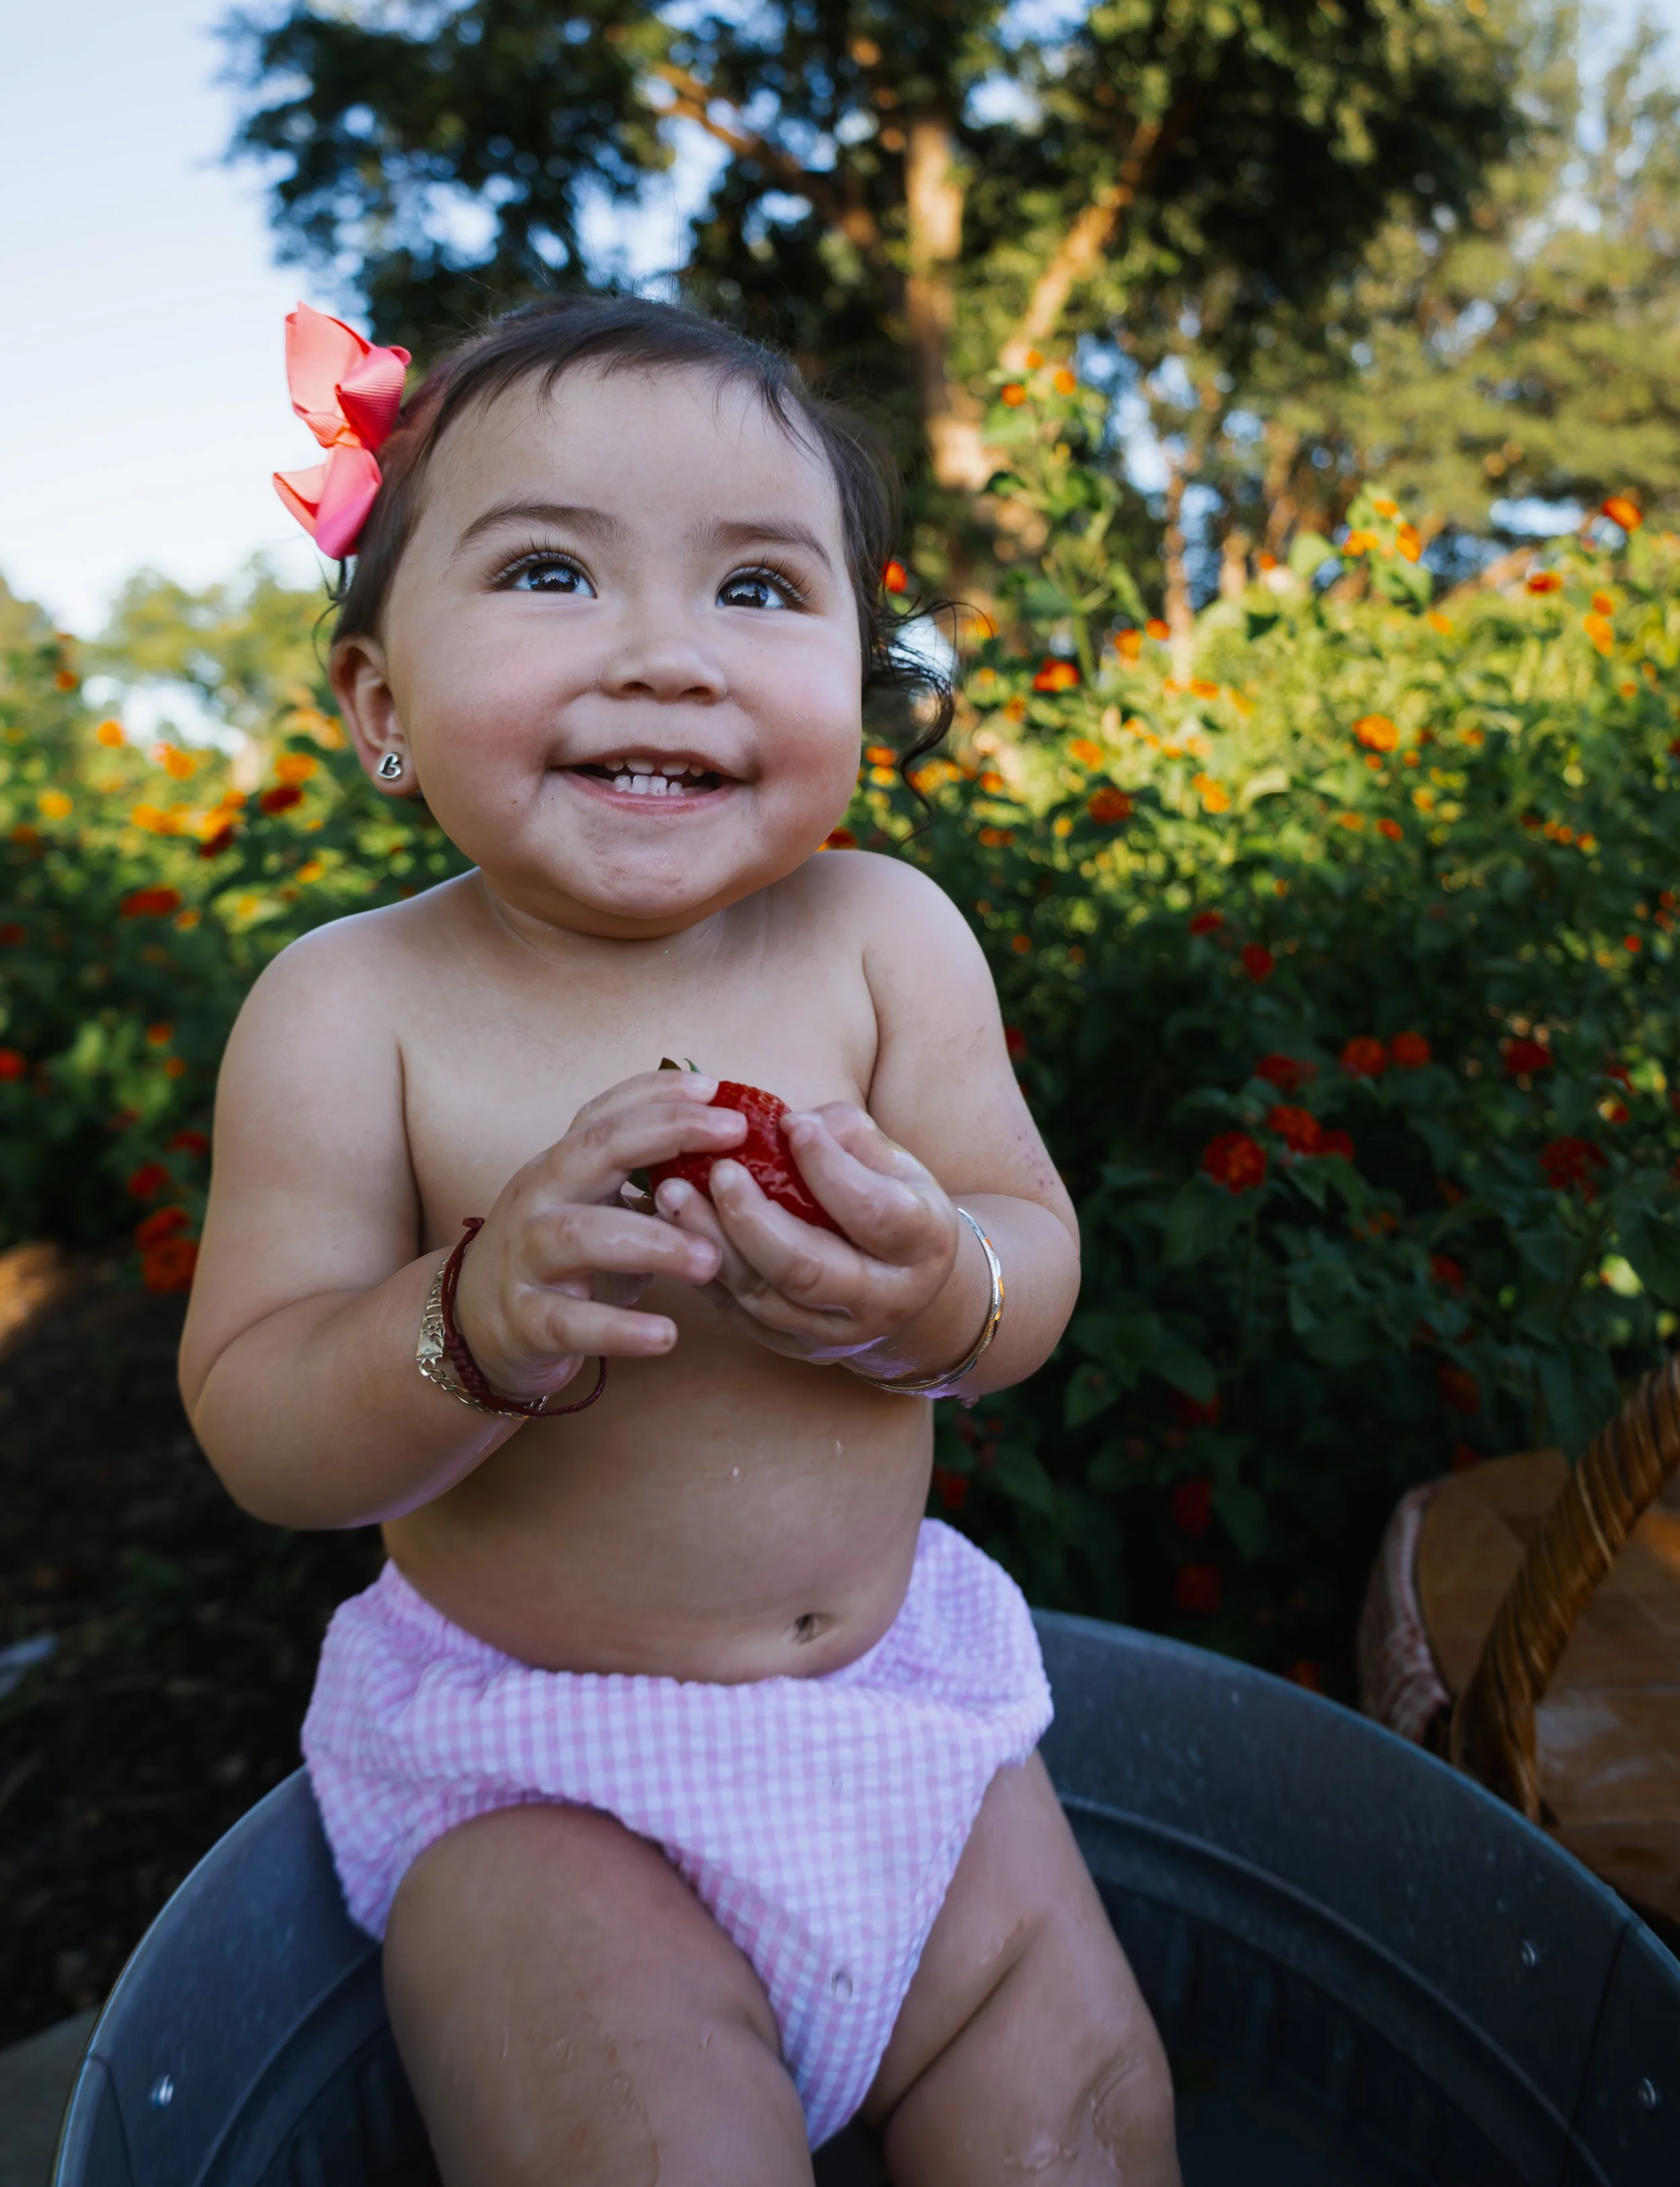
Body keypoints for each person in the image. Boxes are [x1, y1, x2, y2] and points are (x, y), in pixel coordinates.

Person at [179, 295, 1179, 2187]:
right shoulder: (348, 1010)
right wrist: (466, 1322)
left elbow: (1026, 1251)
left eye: (758, 589)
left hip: (906, 1732)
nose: (665, 657)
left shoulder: (887, 937)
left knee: (1084, 2122)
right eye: (552, 568)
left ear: (860, 680)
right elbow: (254, 1415)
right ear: (380, 702)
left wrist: (935, 1289)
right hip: (542, 1787)